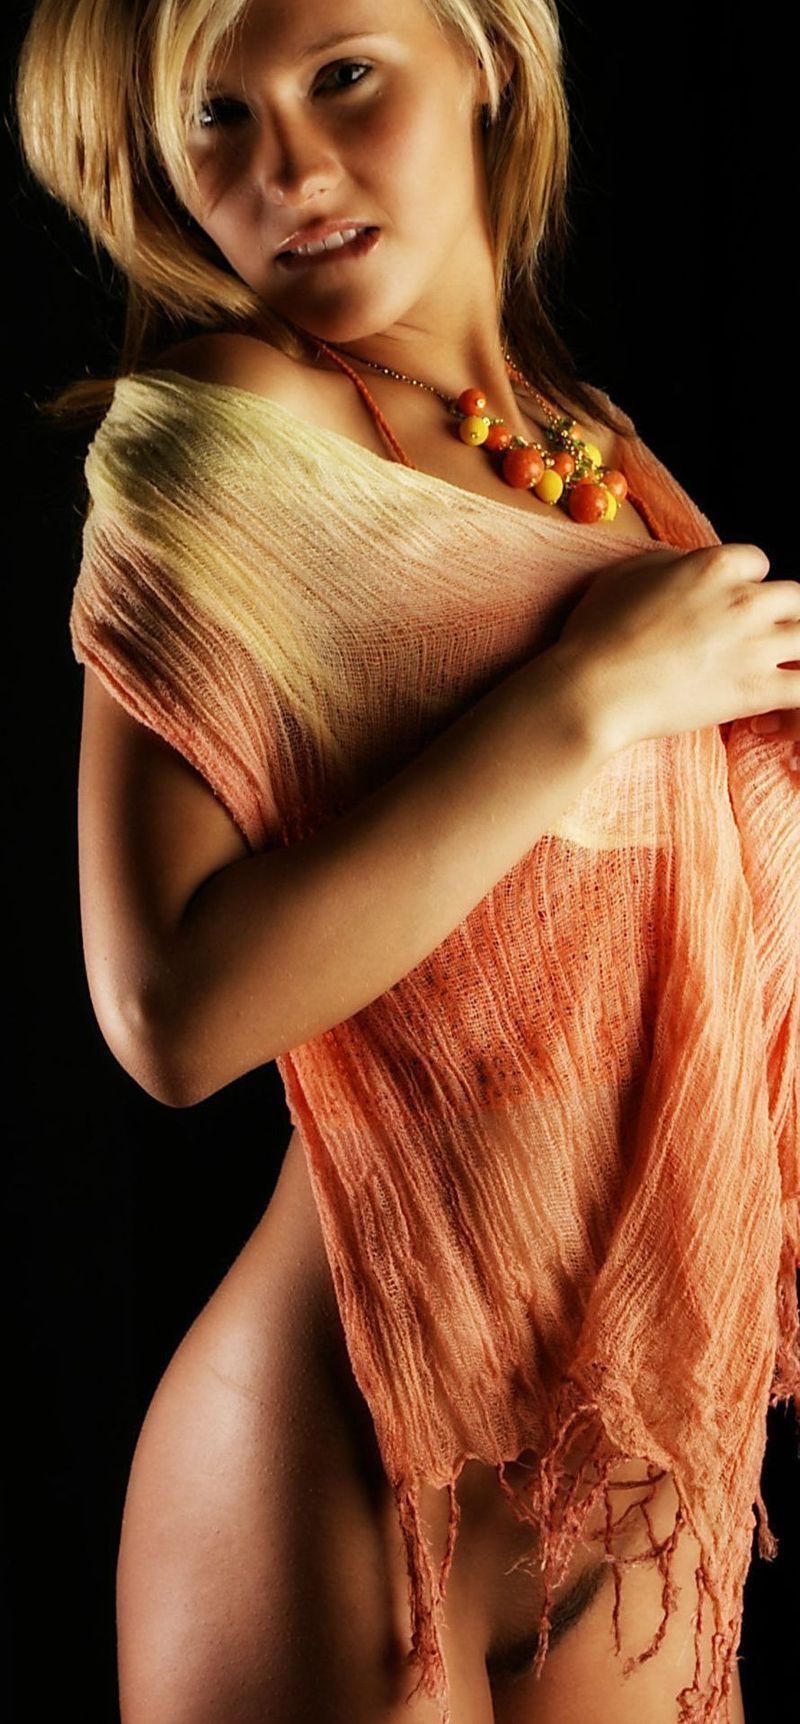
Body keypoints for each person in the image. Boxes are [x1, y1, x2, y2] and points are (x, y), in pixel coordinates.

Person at [15, 2, 799, 1721]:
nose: (286, 169)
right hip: (345, 1449)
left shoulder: (600, 460)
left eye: (342, 76)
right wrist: (584, 698)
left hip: (628, 1467)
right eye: (216, 121)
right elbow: (170, 1011)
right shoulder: (226, 434)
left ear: (486, 57)